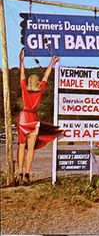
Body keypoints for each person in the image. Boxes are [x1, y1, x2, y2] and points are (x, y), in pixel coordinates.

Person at [16, 48, 62, 186]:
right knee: (30, 148)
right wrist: (51, 63)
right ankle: (27, 174)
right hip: (34, 119)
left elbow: (22, 73)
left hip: (24, 118)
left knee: (21, 146)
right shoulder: (40, 89)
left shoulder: (24, 87)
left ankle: (19, 172)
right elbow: (46, 77)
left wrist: (21, 60)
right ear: (37, 84)